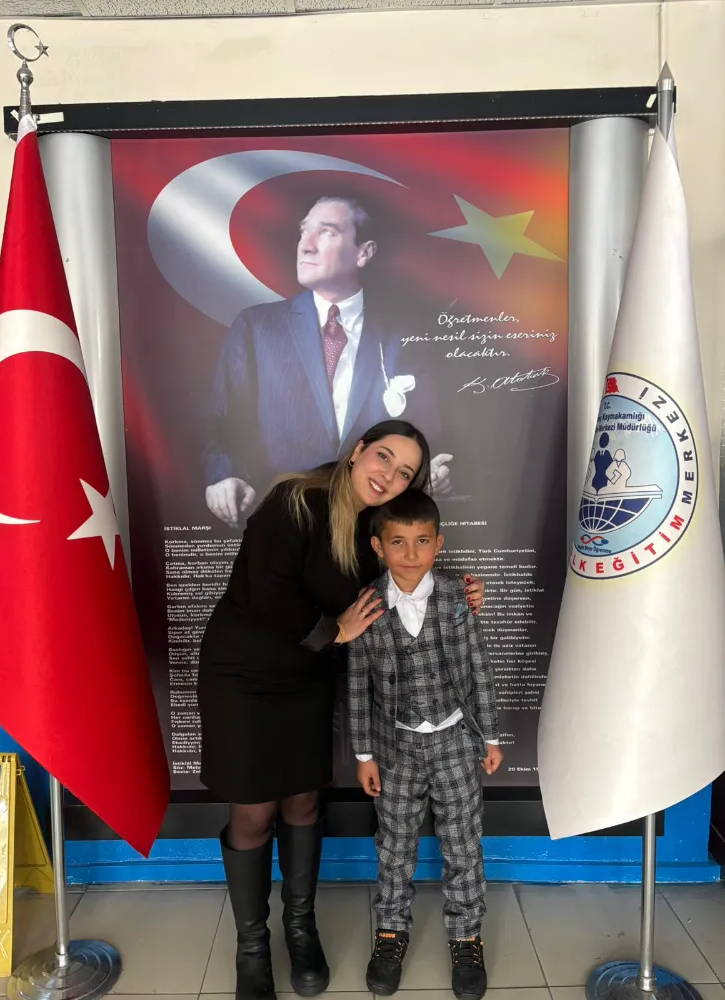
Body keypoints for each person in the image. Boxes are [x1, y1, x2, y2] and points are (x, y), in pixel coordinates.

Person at [197, 421, 485, 1000]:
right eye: (383, 457)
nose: (388, 475)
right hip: (245, 675)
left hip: (307, 678)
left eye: (404, 473)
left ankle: (300, 930)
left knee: (303, 801)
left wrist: (456, 589)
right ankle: (252, 948)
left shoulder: (373, 526)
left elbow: (404, 566)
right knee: (253, 812)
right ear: (357, 452)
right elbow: (267, 591)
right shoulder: (295, 500)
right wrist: (334, 631)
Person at [203, 195, 454, 528]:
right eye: (303, 231)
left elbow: (432, 432)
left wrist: (434, 472)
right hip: (284, 523)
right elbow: (221, 425)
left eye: (327, 232)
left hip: (377, 528)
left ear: (364, 253)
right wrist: (224, 476)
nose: (305, 246)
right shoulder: (256, 327)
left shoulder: (407, 333)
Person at [348, 489, 502, 1000]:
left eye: (421, 541)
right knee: (395, 846)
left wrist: (490, 734)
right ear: (378, 547)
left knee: (462, 842)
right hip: (395, 748)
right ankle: (391, 932)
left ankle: (466, 936)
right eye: (398, 542)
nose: (410, 553)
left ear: (439, 544)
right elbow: (358, 685)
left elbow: (479, 667)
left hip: (455, 739)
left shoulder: (460, 595)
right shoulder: (367, 604)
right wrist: (364, 754)